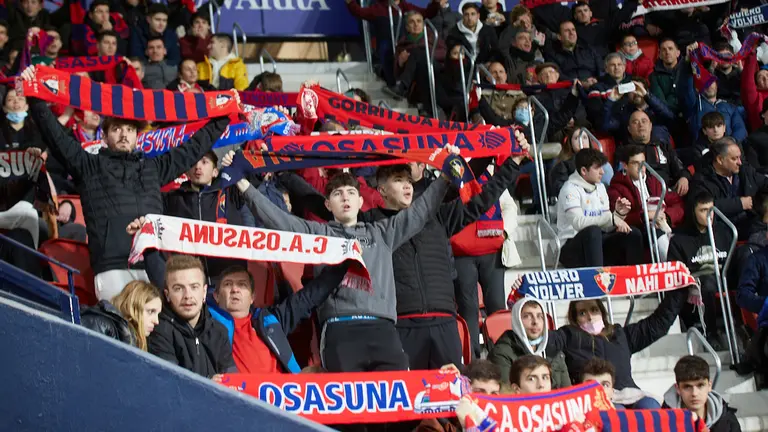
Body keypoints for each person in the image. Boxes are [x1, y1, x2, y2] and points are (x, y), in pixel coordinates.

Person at [226, 145, 457, 374]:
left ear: (360, 202)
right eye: (337, 194)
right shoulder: (318, 234)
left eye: (351, 193)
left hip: (383, 330)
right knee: (349, 407)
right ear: (328, 205)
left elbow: (421, 211)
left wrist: (445, 175)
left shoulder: (383, 233)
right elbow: (277, 219)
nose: (345, 198)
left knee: (396, 403)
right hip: (340, 330)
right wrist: (243, 184)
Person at [21, 64, 232, 301]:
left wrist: (225, 115)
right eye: (117, 129)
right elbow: (55, 135)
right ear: (104, 135)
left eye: (130, 129)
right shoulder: (88, 165)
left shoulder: (155, 168)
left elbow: (194, 148)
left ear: (137, 135)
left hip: (153, 266)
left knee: (156, 334)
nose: (124, 134)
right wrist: (34, 95)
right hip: (111, 269)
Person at [544, 292, 687, 409]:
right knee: (616, 412)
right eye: (582, 313)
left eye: (594, 310)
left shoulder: (620, 335)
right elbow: (540, 337)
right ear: (574, 319)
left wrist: (680, 289)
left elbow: (658, 324)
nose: (590, 316)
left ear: (602, 312)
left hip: (629, 394)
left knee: (650, 406)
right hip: (594, 400)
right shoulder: (567, 336)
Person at [207, 263, 350, 374]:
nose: (235, 289)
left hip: (283, 399)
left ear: (252, 297)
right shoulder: (207, 325)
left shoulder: (269, 319)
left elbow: (307, 298)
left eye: (242, 285)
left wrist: (346, 263)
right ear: (216, 296)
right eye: (228, 284)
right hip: (242, 401)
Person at [162, 151, 249, 283]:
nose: (198, 167)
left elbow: (256, 175)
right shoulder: (173, 198)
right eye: (193, 163)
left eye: (204, 162)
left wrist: (238, 158)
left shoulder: (231, 192)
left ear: (215, 172)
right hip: (189, 282)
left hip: (227, 281)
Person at [148, 254, 237, 378]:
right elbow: (169, 383)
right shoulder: (159, 331)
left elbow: (234, 380)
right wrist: (209, 385)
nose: (188, 296)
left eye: (194, 287)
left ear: (204, 292)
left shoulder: (219, 331)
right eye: (178, 288)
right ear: (167, 295)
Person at [556, 148, 644, 268]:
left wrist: (618, 215)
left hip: (596, 242)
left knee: (633, 234)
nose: (602, 172)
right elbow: (578, 223)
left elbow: (606, 225)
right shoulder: (569, 189)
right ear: (583, 170)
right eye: (597, 168)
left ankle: (635, 279)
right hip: (571, 247)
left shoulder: (601, 188)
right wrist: (611, 218)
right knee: (593, 231)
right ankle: (598, 279)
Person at [668, 192, 735, 347]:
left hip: (723, 279)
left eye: (711, 210)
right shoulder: (680, 239)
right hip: (696, 286)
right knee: (707, 282)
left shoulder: (725, 234)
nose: (709, 215)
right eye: (704, 210)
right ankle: (710, 333)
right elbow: (675, 270)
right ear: (693, 211)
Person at [688, 137, 768, 239]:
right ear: (720, 160)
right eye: (734, 159)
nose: (740, 162)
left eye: (739, 157)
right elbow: (702, 208)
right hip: (721, 229)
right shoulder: (702, 180)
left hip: (751, 224)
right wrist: (739, 204)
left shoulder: (745, 171)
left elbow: (764, 182)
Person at [607, 145, 683, 249]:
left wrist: (667, 216)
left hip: (663, 224)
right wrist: (645, 216)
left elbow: (677, 203)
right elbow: (619, 218)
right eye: (635, 163)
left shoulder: (655, 181)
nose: (641, 167)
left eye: (643, 163)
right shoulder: (616, 187)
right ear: (625, 165)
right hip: (642, 231)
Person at [488, 297, 570, 388]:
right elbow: (508, 394)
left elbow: (567, 393)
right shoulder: (501, 353)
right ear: (517, 321)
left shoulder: (555, 350)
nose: (535, 322)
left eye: (540, 316)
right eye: (527, 316)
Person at [681, 42, 747, 143]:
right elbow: (686, 85)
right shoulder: (694, 104)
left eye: (711, 82)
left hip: (728, 147)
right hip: (703, 149)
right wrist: (687, 61)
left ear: (717, 85)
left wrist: (730, 143)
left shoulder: (730, 107)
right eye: (705, 83)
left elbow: (741, 130)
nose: (709, 86)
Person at [663, 355, 741, 432]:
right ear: (678, 389)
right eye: (687, 387)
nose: (694, 393)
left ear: (709, 386)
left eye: (700, 385)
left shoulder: (727, 420)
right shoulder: (663, 420)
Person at [623, 110, 690, 198]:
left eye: (644, 121)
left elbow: (680, 168)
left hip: (670, 192)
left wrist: (684, 178)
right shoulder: (625, 151)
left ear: (650, 126)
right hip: (644, 196)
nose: (641, 125)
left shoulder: (663, 146)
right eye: (635, 122)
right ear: (629, 129)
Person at [81, 280, 162, 351]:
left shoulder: (132, 337)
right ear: (132, 307)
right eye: (151, 311)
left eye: (157, 314)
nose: (156, 321)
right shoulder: (101, 325)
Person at [549, 126, 613, 198]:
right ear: (570, 143)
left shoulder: (604, 166)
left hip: (597, 201)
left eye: (584, 138)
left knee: (605, 166)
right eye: (576, 138)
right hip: (574, 200)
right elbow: (561, 189)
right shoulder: (563, 164)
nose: (581, 141)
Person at [650, 38, 683, 118]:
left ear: (678, 53)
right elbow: (660, 102)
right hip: (667, 116)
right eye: (664, 50)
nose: (667, 52)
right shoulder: (654, 76)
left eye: (670, 49)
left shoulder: (687, 71)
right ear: (660, 55)